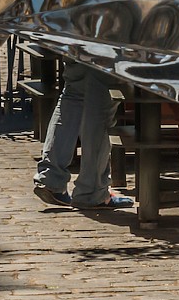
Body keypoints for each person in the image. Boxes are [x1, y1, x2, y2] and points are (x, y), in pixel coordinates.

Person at [33, 57, 135, 213]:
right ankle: (91, 192)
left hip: (77, 43)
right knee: (102, 98)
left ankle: (50, 178)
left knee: (73, 94)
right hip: (107, 46)